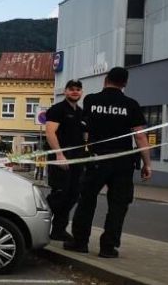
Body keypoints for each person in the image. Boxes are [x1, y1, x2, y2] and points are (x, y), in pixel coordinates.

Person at [65, 67, 151, 258]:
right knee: (118, 205)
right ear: (125, 84)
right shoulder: (131, 104)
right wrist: (147, 164)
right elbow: (140, 137)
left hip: (97, 159)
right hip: (123, 161)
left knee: (87, 199)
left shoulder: (91, 100)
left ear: (106, 79)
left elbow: (85, 128)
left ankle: (80, 242)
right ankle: (108, 246)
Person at [44, 80, 86, 240]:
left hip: (77, 160)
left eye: (78, 89)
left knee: (73, 195)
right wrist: (59, 155)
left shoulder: (81, 112)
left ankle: (58, 230)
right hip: (60, 159)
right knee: (59, 195)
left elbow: (84, 135)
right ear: (65, 91)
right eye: (72, 89)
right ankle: (39, 219)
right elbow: (50, 133)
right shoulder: (57, 110)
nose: (75, 92)